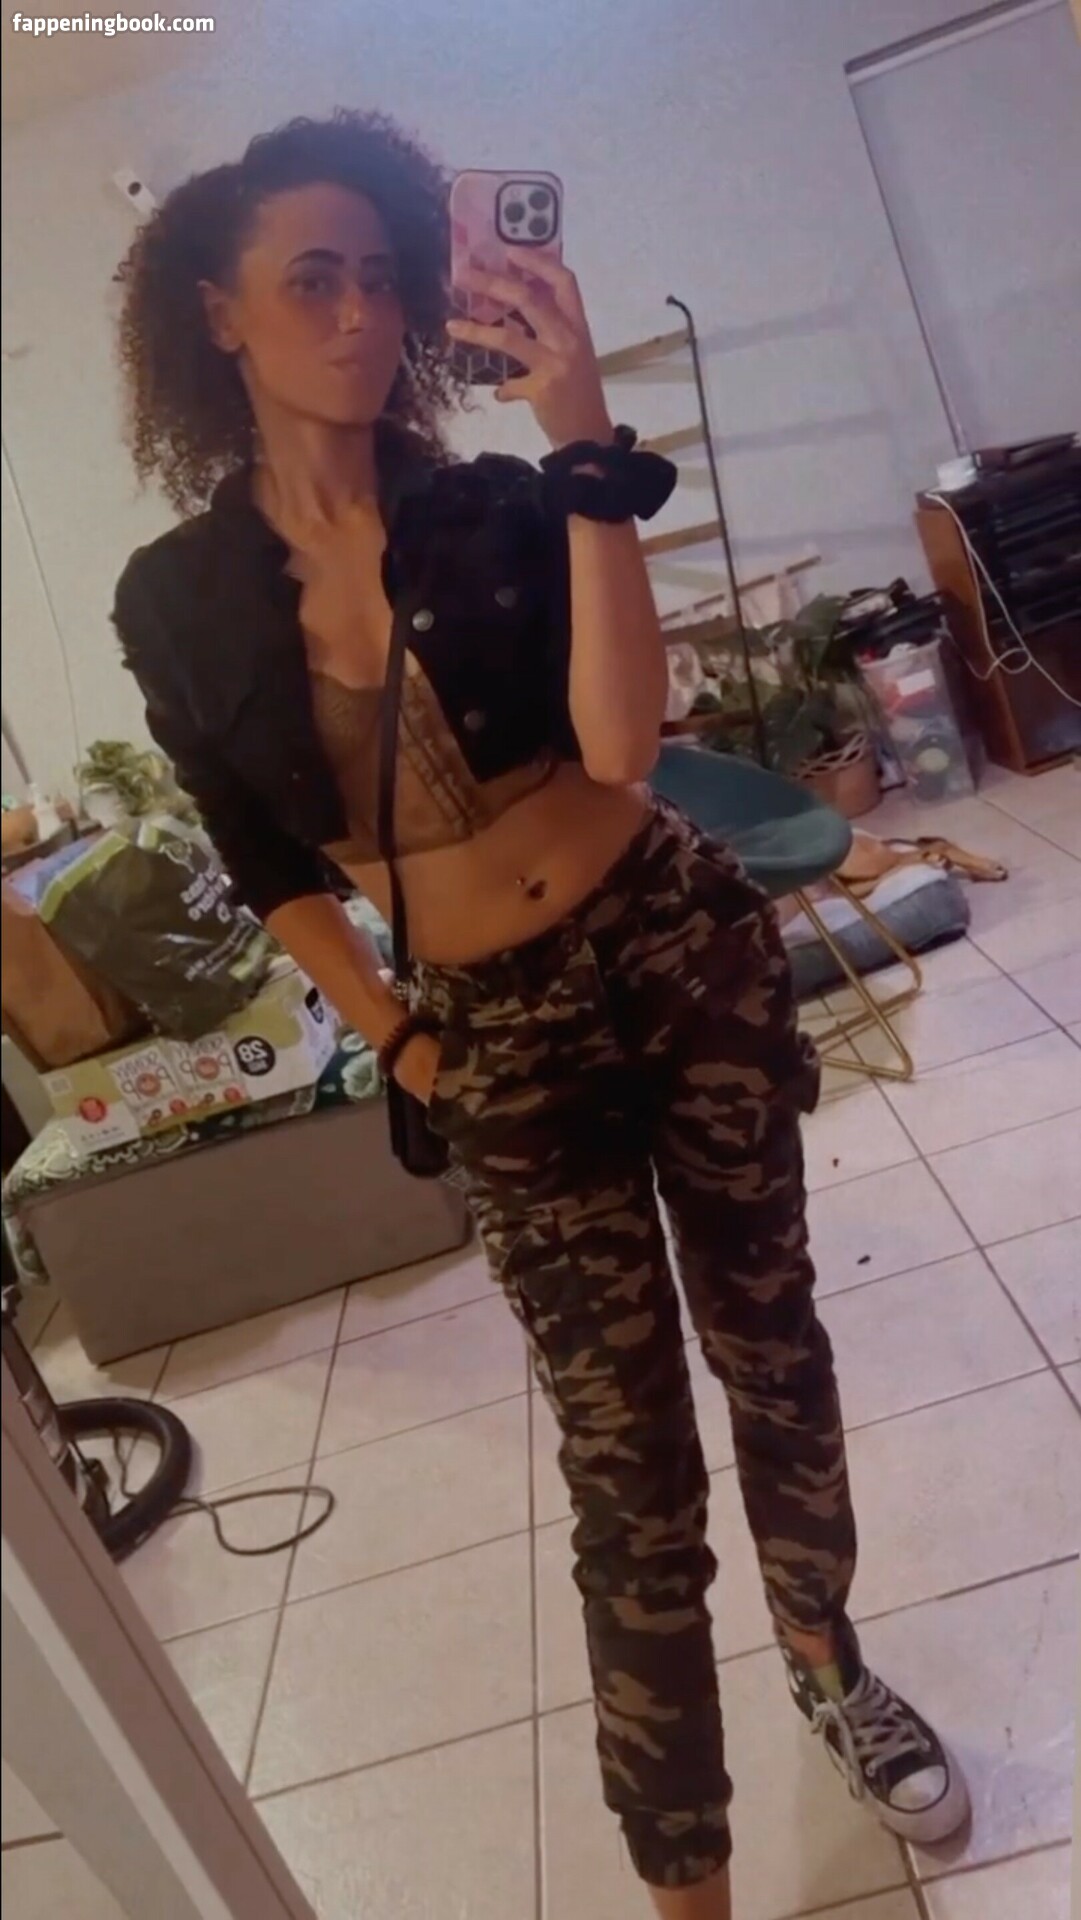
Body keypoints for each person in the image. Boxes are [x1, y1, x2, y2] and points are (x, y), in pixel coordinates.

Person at [113, 110, 967, 1919]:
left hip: (671, 951)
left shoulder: (497, 507)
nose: (357, 315)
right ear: (218, 313)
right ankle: (684, 1879)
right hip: (489, 1038)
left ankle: (828, 1665)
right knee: (621, 1461)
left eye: (379, 277)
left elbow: (620, 745)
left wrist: (577, 434)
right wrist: (399, 1035)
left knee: (773, 1354)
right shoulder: (176, 602)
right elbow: (261, 854)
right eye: (309, 281)